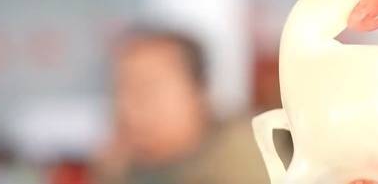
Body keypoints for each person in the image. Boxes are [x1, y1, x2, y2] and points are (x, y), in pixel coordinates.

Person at [92, 27, 273, 184]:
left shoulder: (249, 156)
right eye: (120, 90)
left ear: (198, 92)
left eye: (147, 88)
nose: (127, 107)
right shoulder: (130, 165)